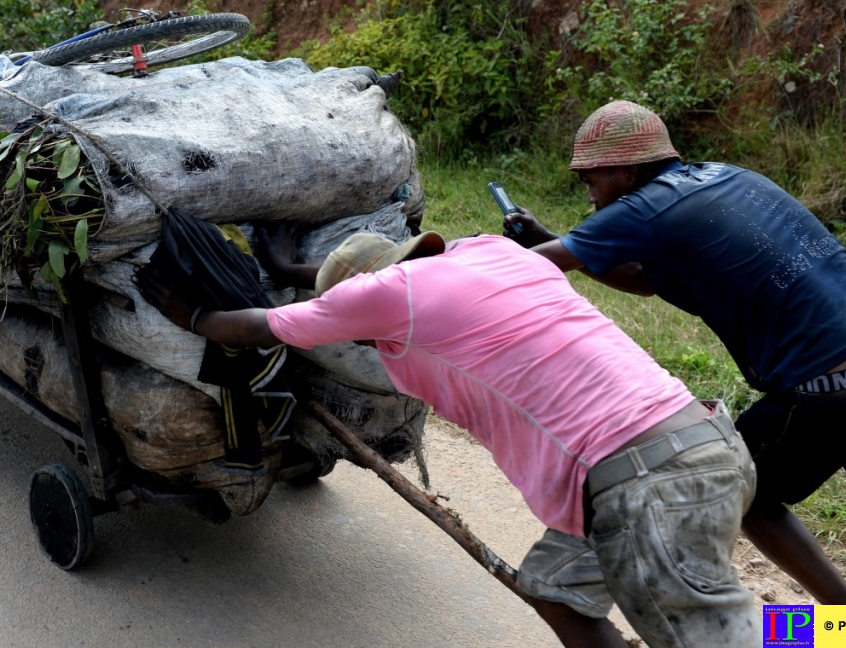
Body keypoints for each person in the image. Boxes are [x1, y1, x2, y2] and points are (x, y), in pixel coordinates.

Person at [136, 227, 760, 648]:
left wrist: (192, 316)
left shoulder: (388, 299)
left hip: (641, 483)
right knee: (555, 590)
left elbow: (264, 326)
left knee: (726, 636)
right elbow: (371, 285)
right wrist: (283, 266)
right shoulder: (490, 252)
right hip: (701, 438)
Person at [504, 99, 846, 605]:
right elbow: (644, 280)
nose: (589, 194)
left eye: (592, 180)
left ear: (626, 171)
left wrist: (460, 257)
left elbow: (526, 270)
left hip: (839, 384)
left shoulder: (644, 206)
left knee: (743, 487)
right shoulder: (729, 177)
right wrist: (552, 242)